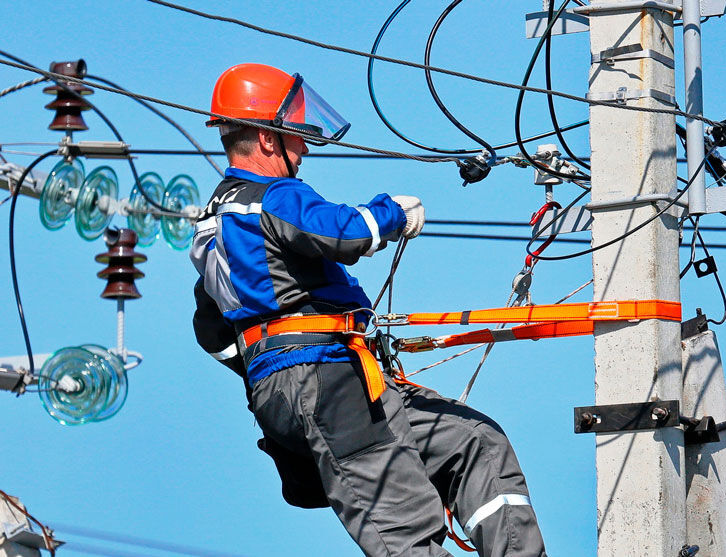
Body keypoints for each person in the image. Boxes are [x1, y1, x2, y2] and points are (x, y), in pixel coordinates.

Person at [191, 63, 546, 557]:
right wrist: (392, 212)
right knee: (408, 532)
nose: (305, 147)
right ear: (268, 140)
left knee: (475, 441)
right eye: (296, 136)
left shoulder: (216, 222)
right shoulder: (273, 195)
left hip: (317, 386)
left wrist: (272, 371)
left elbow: (210, 330)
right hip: (328, 384)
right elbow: (342, 231)